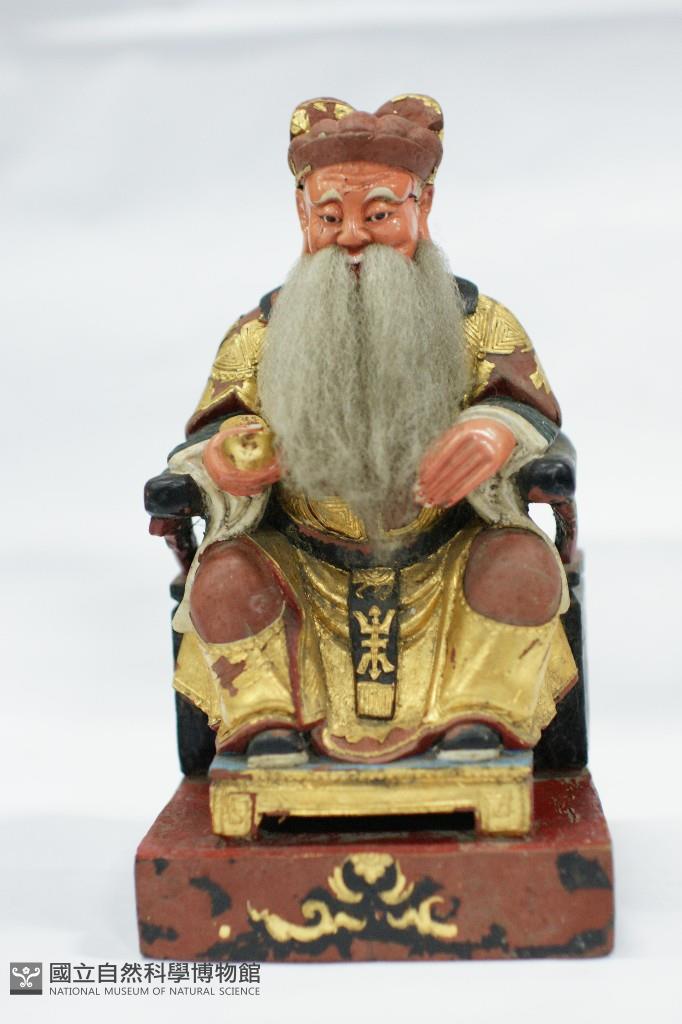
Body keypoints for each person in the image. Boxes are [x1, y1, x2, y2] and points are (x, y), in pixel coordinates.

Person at [164, 95, 577, 767]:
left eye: (379, 214)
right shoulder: (258, 337)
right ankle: (270, 723)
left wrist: (498, 431)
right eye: (331, 217)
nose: (353, 236)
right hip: (300, 564)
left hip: (446, 557)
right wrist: (221, 461)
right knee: (225, 579)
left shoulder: (481, 324)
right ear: (303, 214)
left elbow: (539, 423)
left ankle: (475, 717)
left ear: (423, 205)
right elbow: (202, 441)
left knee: (522, 566)